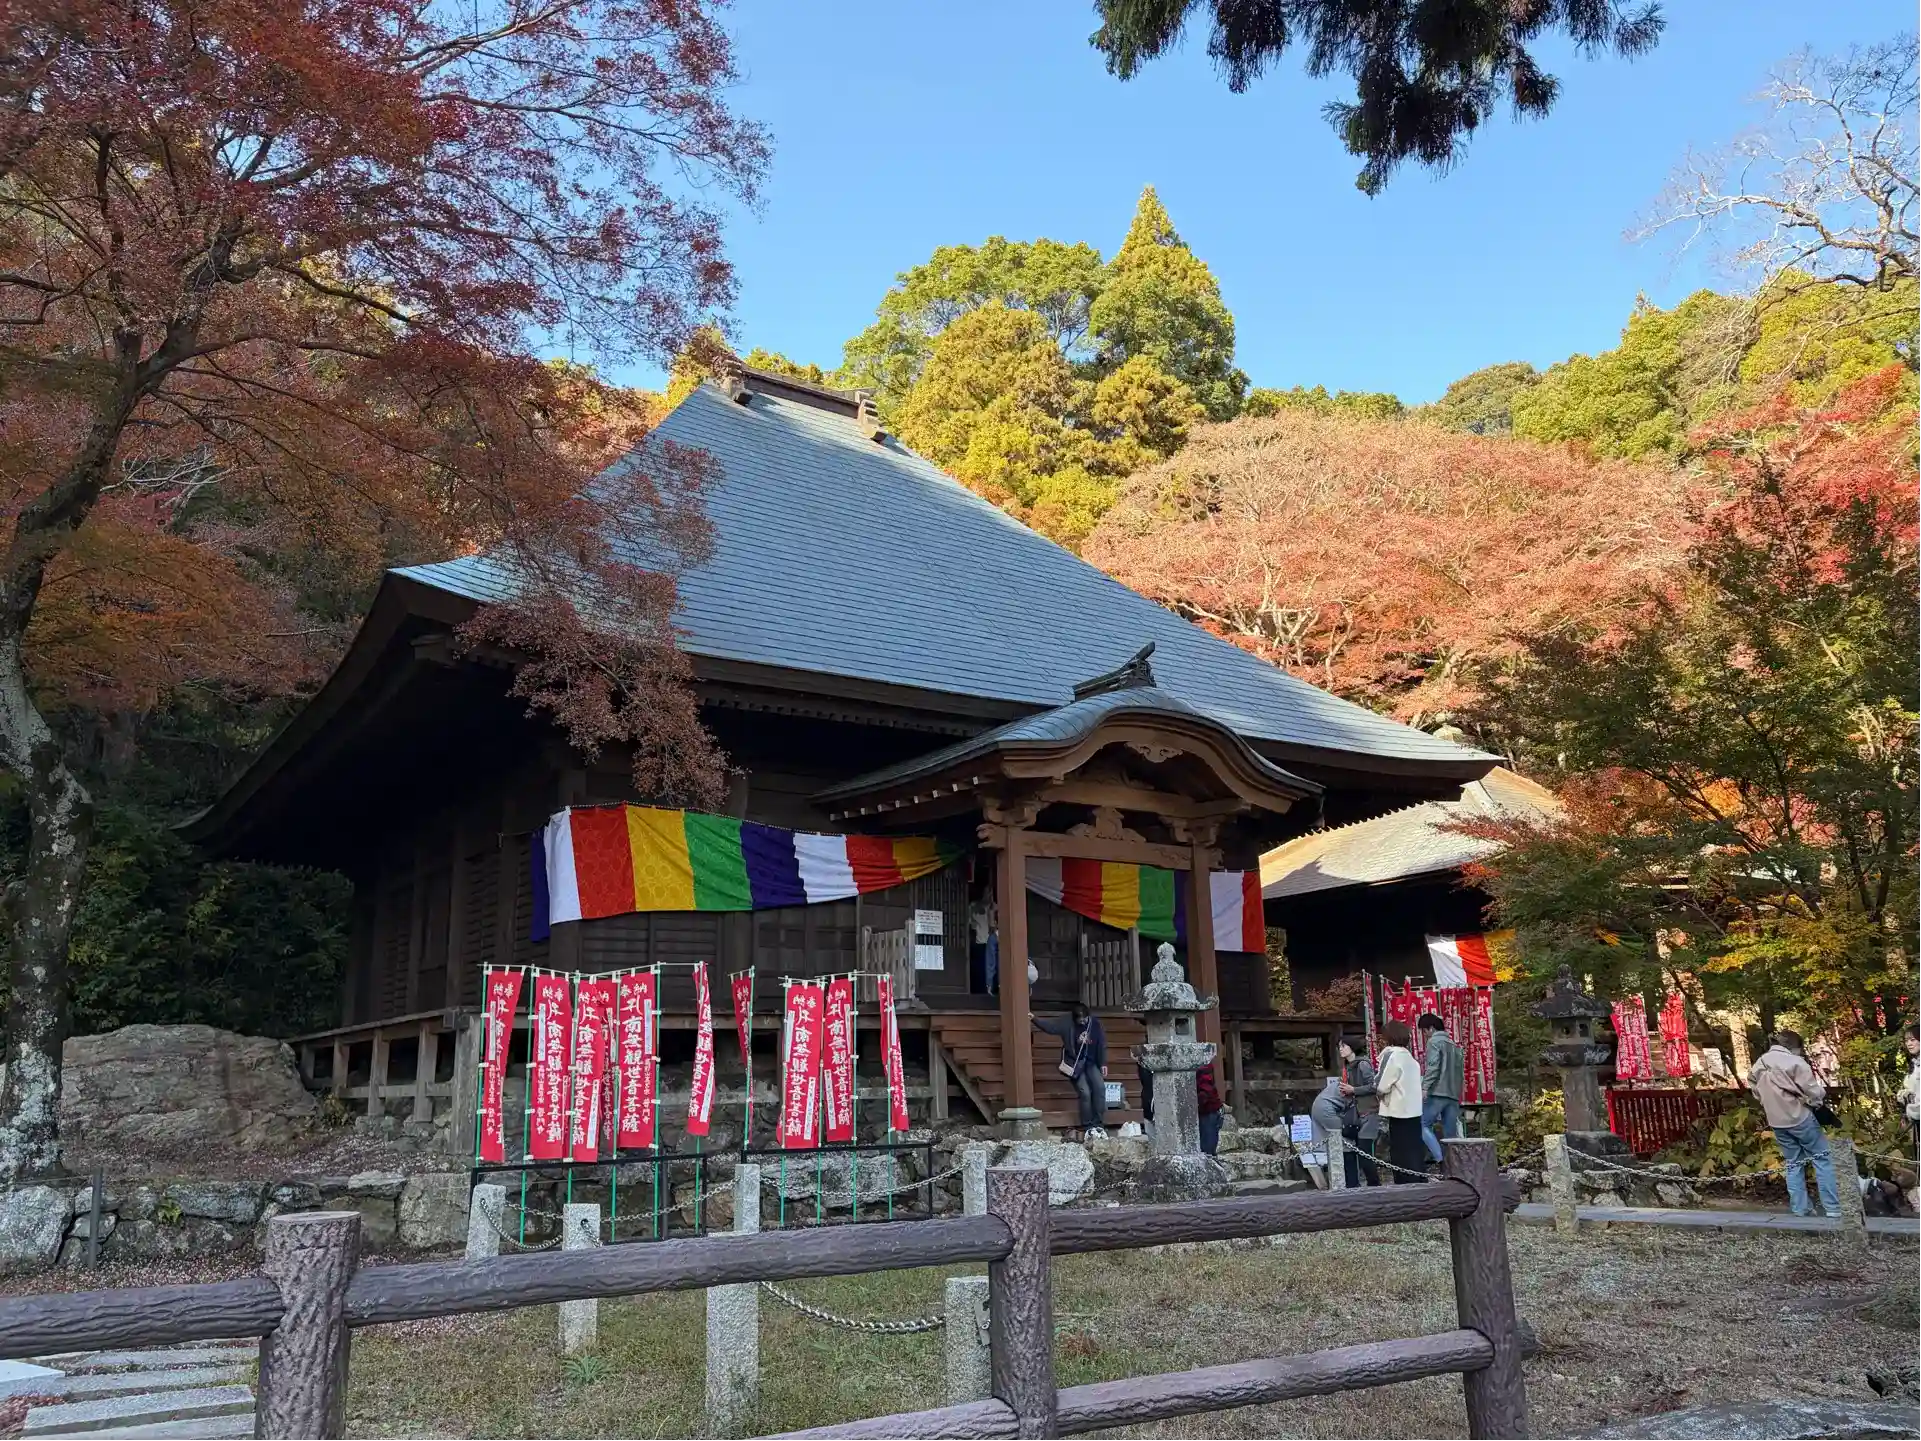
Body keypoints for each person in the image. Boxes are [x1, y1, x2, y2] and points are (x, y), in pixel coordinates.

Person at [1750, 1029, 1841, 1218]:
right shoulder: (1795, 1062)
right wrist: (1818, 1100)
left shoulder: (1759, 1064)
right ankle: (1833, 1208)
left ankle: (1801, 1208)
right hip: (1800, 1117)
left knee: (1793, 1164)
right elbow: (1813, 1092)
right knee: (1822, 1159)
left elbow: (1756, 1092)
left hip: (1776, 1121)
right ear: (1795, 1046)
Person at [1031, 1005, 1107, 1139]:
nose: (1082, 1022)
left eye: (1084, 1019)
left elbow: (1101, 1044)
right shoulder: (1067, 1023)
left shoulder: (1095, 1024)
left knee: (1100, 1088)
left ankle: (1098, 1124)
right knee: (1085, 1092)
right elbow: (1051, 1027)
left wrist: (1103, 1063)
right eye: (1080, 1020)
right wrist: (1034, 1019)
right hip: (1075, 1063)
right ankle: (1088, 1125)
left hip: (1091, 1063)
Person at [1374, 1020, 1426, 1183]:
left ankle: (1404, 1183)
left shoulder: (1391, 1056)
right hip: (1414, 1110)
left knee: (1400, 1152)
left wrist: (1380, 1095)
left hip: (1398, 1111)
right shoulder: (1410, 1058)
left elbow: (1381, 1085)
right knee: (1414, 1149)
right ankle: (1419, 1181)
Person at [1418, 1012, 1465, 1165]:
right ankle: (1453, 1164)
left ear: (1431, 1028)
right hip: (1453, 1094)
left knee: (1422, 1125)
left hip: (1438, 1092)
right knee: (1450, 1132)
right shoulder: (1453, 1045)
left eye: (1424, 1031)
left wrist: (1425, 1087)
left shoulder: (1434, 1042)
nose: (1424, 1035)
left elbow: (1433, 1067)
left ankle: (1441, 1159)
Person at [1336, 1038, 1382, 1187]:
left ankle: (1374, 1185)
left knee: (1365, 1153)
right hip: (1356, 1113)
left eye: (1343, 1046)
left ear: (1352, 1047)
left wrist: (1353, 1090)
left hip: (1369, 1112)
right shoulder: (1347, 1067)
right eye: (1339, 1047)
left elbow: (1374, 1086)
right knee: (1361, 1152)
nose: (1340, 1049)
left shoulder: (1363, 1064)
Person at [1196, 1061, 1224, 1155]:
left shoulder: (1202, 1067)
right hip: (1205, 1112)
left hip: (1208, 1112)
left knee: (1207, 1152)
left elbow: (1206, 1093)